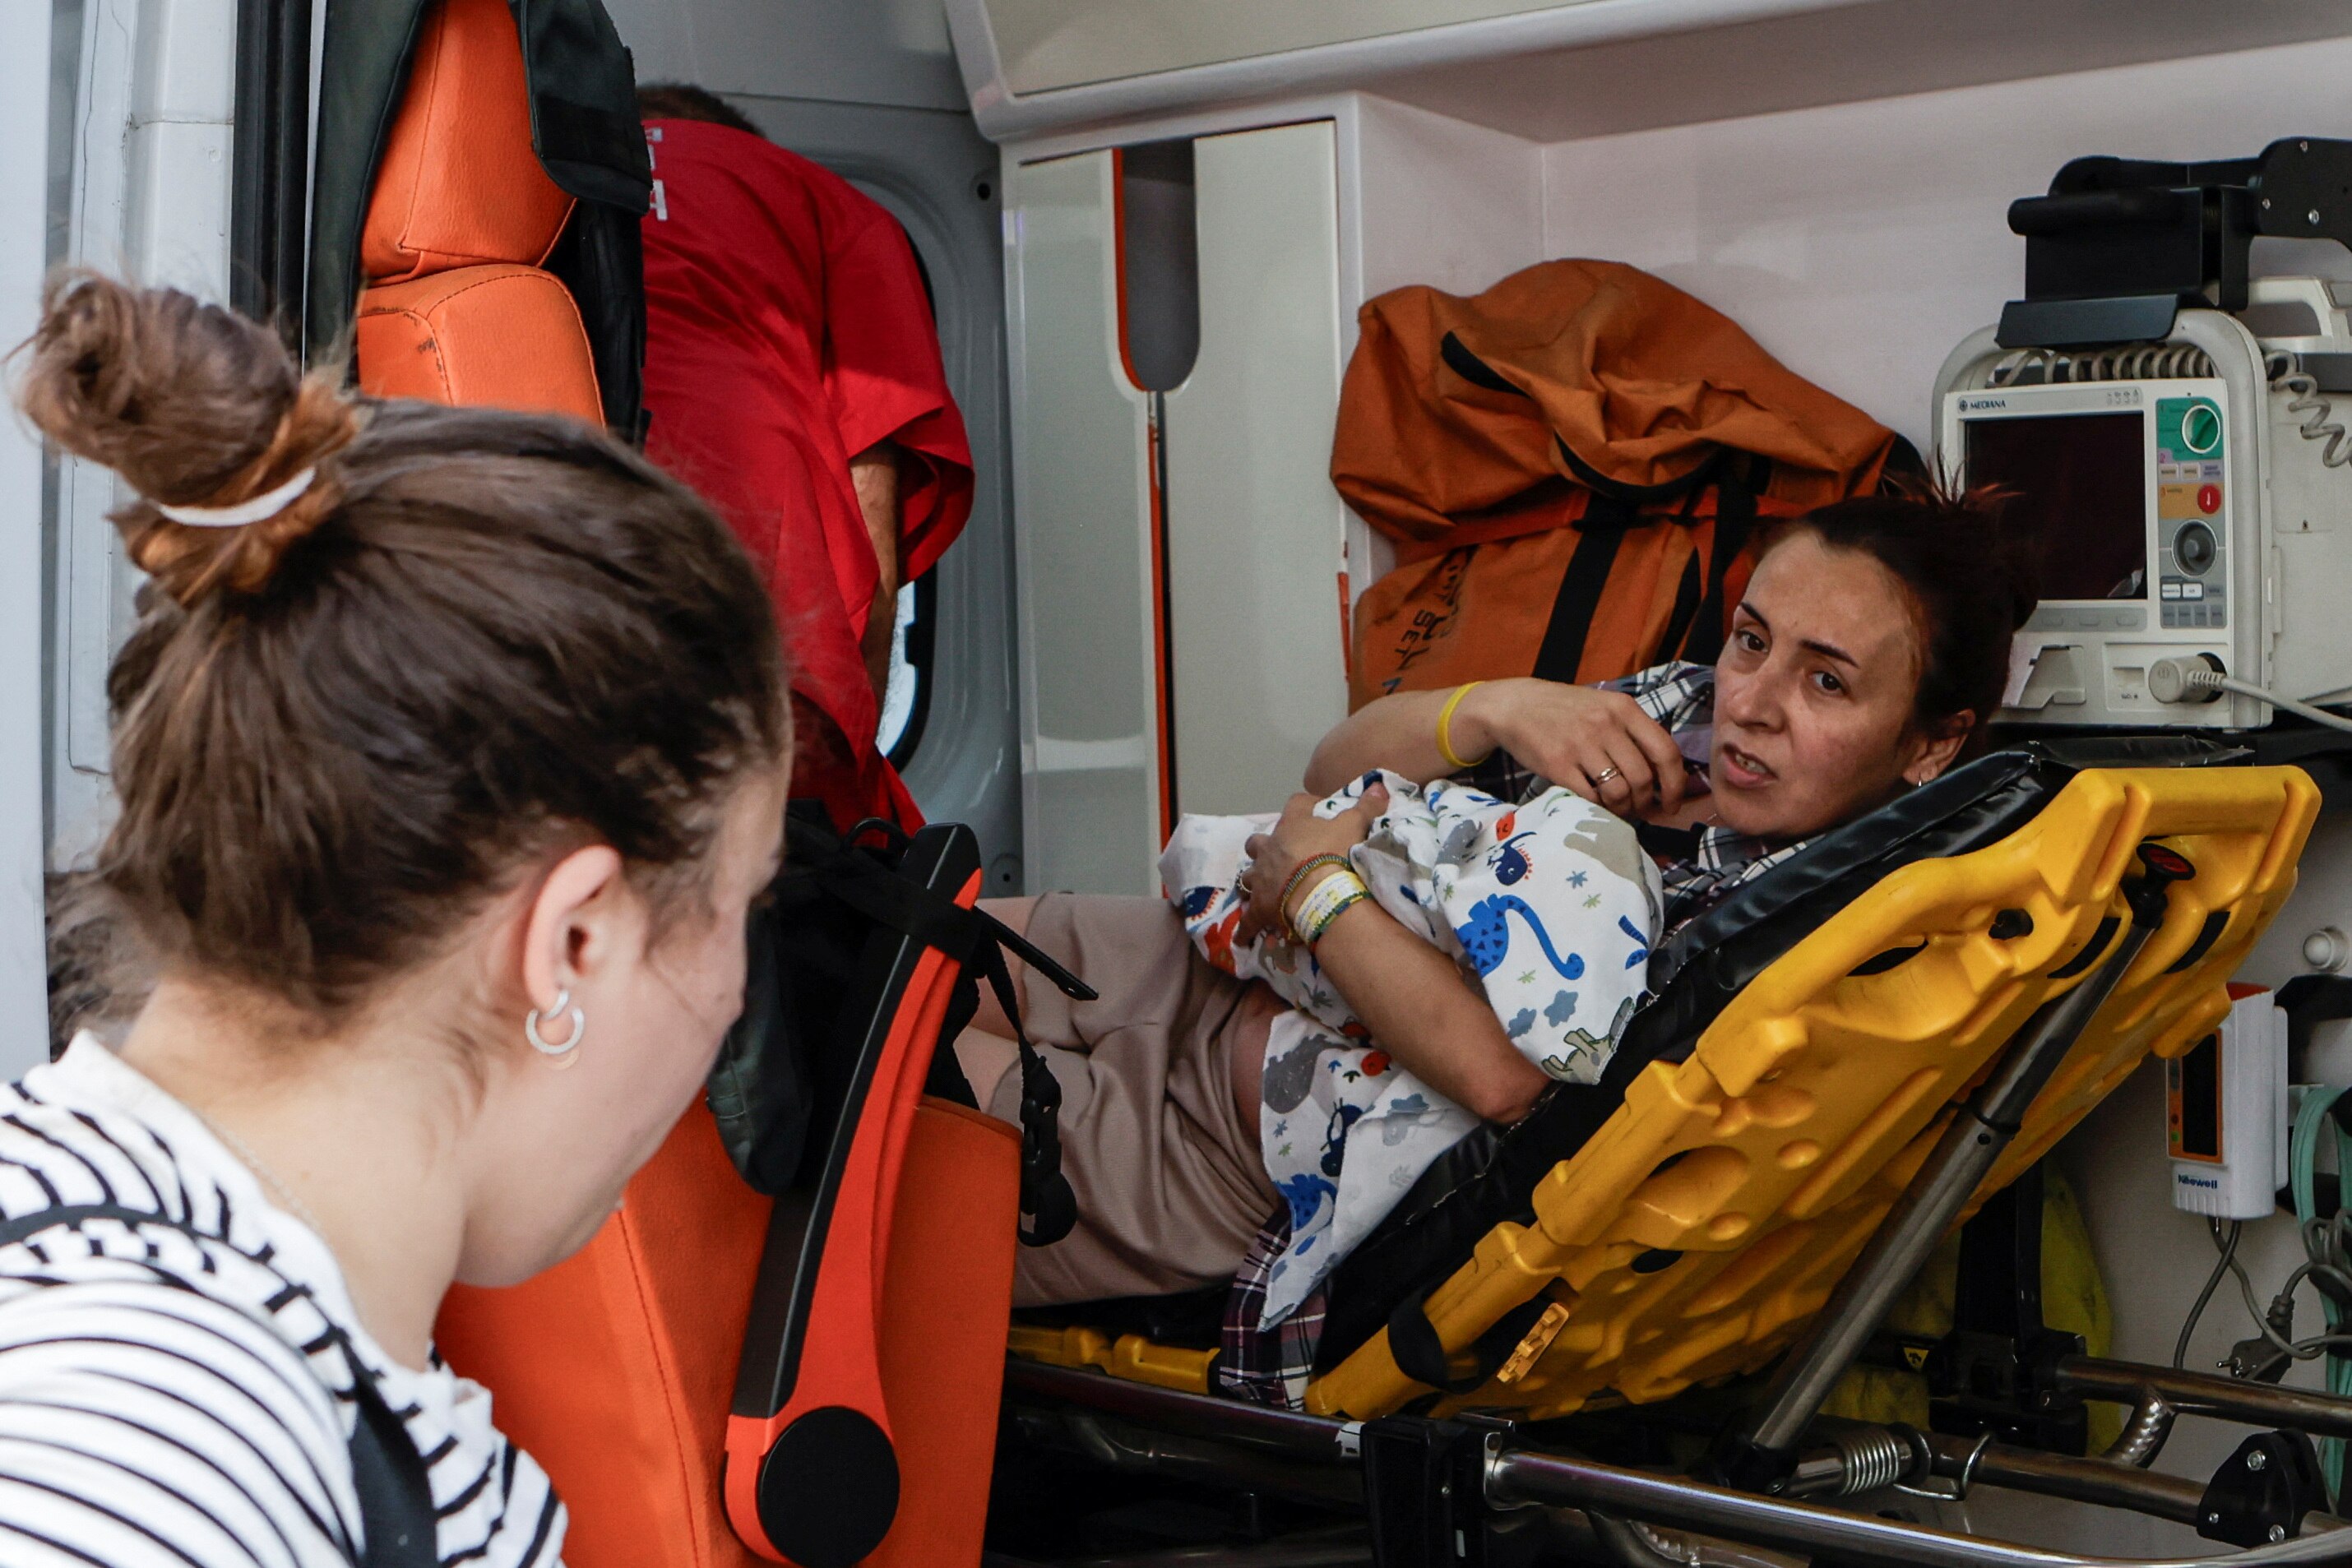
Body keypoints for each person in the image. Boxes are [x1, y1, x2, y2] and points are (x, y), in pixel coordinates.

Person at [0, 274, 789, 1565]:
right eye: (741, 901)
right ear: (574, 938)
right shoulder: (155, 1441)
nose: (737, 995)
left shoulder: (247, 1344)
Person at [951, 483, 2035, 1334]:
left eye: (1828, 683)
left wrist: (1319, 889)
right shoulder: (1679, 707)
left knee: (859, 1118)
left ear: (1934, 740)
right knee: (887, 955)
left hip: (1218, 1140)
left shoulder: (1800, 919)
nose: (1751, 699)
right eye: (1752, 638)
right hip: (1199, 956)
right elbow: (1330, 765)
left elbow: (1506, 1077)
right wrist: (1498, 708)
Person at [636, 81, 974, 833]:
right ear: (742, 141)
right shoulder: (831, 210)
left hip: (564, 592)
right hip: (767, 614)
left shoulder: (543, 196)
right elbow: (871, 499)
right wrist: (854, 768)